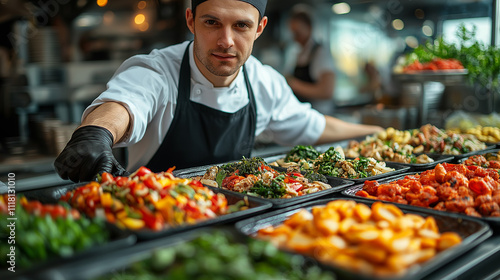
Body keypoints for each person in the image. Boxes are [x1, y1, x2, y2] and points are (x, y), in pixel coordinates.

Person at [54, 0, 383, 182]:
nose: (226, 40)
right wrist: (95, 133)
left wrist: (377, 132)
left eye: (241, 25)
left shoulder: (263, 82)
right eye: (212, 23)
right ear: (191, 20)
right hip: (156, 221)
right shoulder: (157, 70)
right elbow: (123, 105)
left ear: (259, 29)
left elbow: (314, 125)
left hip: (239, 220)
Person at [285, 5, 336, 115]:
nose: (295, 37)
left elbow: (327, 91)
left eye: (297, 33)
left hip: (321, 115)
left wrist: (293, 84)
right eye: (293, 33)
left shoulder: (321, 52)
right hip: (305, 114)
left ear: (309, 27)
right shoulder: (299, 53)